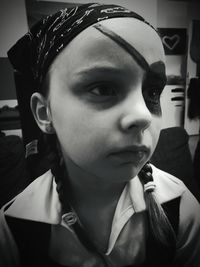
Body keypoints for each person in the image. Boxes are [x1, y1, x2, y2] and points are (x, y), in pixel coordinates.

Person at [0, 3, 200, 267]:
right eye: (103, 88)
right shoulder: (16, 225)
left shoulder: (180, 205)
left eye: (152, 92)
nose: (143, 116)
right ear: (44, 113)